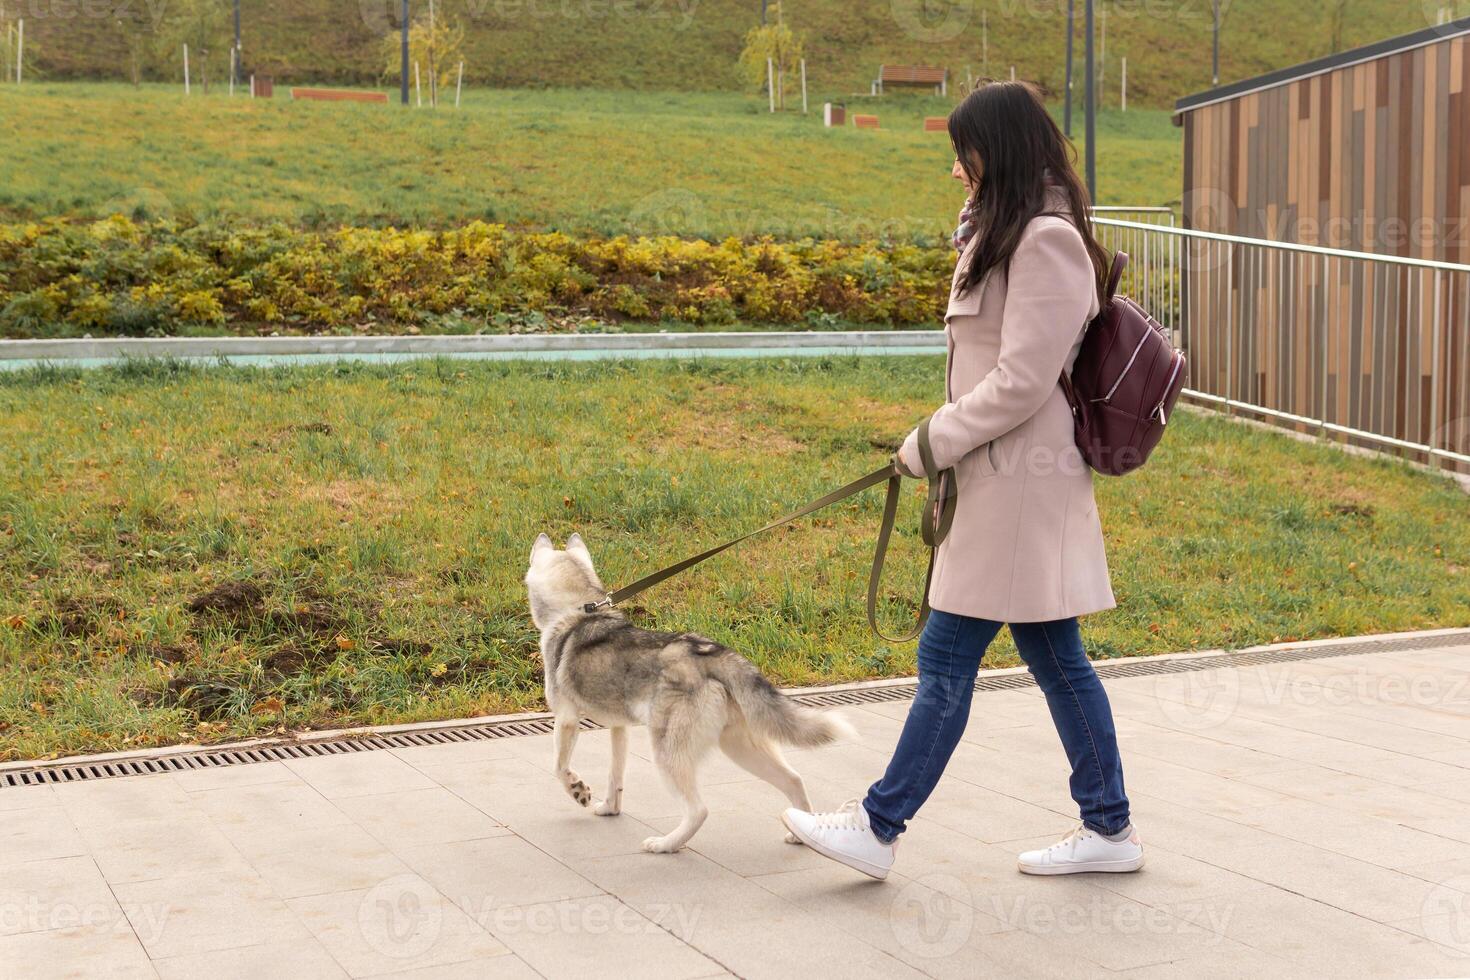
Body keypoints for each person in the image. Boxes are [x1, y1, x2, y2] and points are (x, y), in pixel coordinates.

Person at [781, 81, 1141, 880]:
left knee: (948, 657)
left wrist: (929, 442)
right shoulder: (1014, 231)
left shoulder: (1044, 239)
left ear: (999, 150)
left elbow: (1022, 380)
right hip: (1005, 477)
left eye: (964, 152)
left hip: (1018, 481)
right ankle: (1109, 828)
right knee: (1055, 658)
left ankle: (877, 828)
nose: (955, 170)